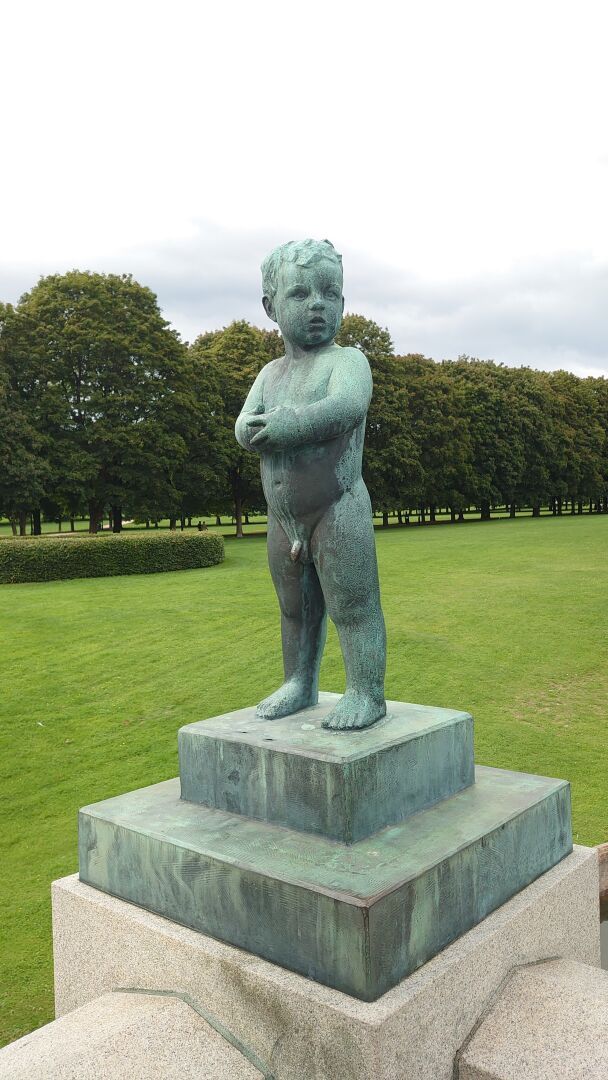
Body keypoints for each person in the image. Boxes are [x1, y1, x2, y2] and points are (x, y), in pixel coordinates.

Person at [235, 239, 386, 731]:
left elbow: (347, 406)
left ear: (343, 303)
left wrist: (288, 424)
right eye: (300, 293)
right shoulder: (269, 374)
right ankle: (299, 683)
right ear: (270, 306)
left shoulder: (347, 361)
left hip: (336, 508)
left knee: (353, 606)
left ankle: (367, 693)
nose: (317, 303)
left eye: (330, 293)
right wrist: (250, 429)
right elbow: (244, 425)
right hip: (284, 519)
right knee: (295, 611)